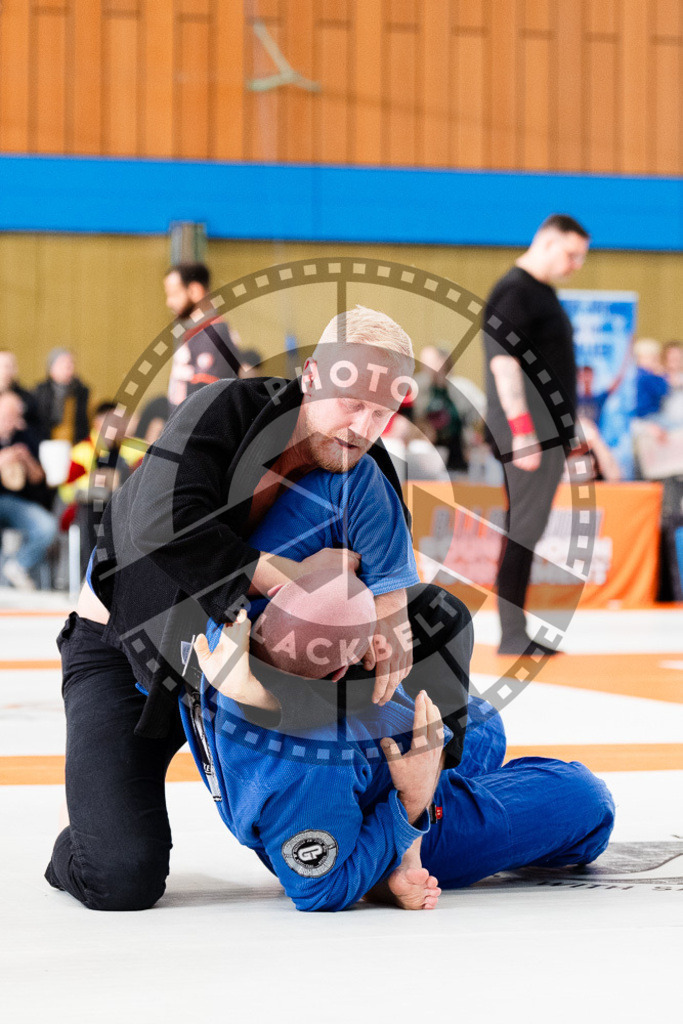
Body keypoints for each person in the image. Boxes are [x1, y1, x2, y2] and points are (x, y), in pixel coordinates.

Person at [45, 306, 474, 911]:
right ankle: (90, 832)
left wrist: (391, 611)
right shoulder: (224, 408)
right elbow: (156, 524)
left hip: (238, 671)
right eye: (351, 401)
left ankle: (419, 795)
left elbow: (395, 579)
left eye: (382, 411)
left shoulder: (367, 461)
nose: (363, 425)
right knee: (120, 876)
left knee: (446, 619)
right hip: (124, 656)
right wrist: (285, 580)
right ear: (311, 376)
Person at [183, 579, 615, 913]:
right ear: (339, 673)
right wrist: (411, 802)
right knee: (588, 800)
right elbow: (317, 890)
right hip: (369, 817)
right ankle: (390, 866)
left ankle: (444, 785)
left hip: (366, 759)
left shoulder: (229, 635)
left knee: (485, 722)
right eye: (368, 646)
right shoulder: (311, 769)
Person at [483, 214, 590, 656]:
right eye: (570, 254)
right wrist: (522, 432)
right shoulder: (516, 291)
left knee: (527, 527)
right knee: (523, 529)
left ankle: (515, 630)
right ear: (545, 242)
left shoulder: (541, 294)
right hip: (528, 435)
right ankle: (511, 634)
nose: (575, 265)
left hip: (548, 435)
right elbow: (503, 363)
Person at [58, 402, 144, 575]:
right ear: (98, 422)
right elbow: (66, 492)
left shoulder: (136, 449)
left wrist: (122, 478)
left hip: (126, 505)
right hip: (91, 508)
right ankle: (91, 573)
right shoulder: (81, 451)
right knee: (90, 507)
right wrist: (94, 480)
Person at [164, 263, 242, 412]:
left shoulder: (214, 334)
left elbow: (207, 400)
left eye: (173, 294)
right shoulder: (197, 333)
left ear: (194, 291)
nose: (169, 302)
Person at [0, 391, 57, 590]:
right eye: (7, 415)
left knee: (47, 526)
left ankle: (17, 565)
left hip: (17, 502)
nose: (12, 420)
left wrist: (25, 459)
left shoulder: (25, 436)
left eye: (15, 416)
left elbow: (40, 477)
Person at [33, 348, 90, 444]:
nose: (68, 366)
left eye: (71, 363)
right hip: (46, 442)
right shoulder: (40, 392)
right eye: (62, 363)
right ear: (51, 368)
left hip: (76, 442)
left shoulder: (82, 392)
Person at [0, 350, 40, 434]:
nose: (7, 371)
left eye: (11, 367)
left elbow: (38, 429)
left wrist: (23, 425)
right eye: (4, 366)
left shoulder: (27, 398)